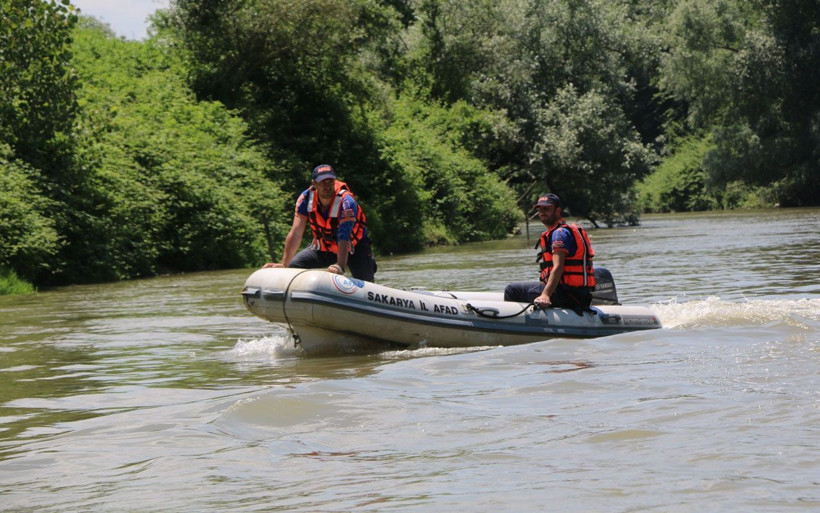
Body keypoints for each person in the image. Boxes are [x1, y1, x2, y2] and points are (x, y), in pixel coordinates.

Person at [262, 164, 377, 281]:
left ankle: (367, 263)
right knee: (294, 266)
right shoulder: (305, 199)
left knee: (366, 281)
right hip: (324, 248)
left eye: (330, 182)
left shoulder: (347, 201)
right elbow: (296, 233)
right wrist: (284, 264)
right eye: (323, 182)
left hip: (354, 247)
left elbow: (344, 235)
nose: (327, 186)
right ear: (314, 184)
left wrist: (340, 266)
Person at [504, 193, 595, 311]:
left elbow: (558, 267)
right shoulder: (562, 231)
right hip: (575, 294)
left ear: (558, 210)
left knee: (512, 290)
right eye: (540, 209)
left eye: (547, 208)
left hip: (566, 295)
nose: (542, 212)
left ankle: (517, 322)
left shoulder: (559, 234)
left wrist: (546, 294)